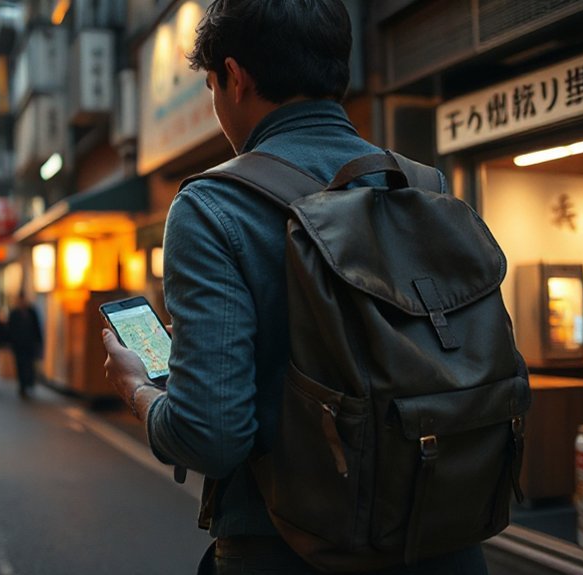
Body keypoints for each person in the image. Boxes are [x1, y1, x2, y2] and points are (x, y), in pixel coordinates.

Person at [101, 2, 487, 573]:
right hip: (446, 533)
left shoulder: (212, 207)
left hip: (295, 549)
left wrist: (139, 390)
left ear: (235, 77)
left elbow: (212, 437)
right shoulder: (425, 186)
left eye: (211, 85)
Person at [6, 291, 42, 399]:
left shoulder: (31, 312)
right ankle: (23, 386)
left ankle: (28, 384)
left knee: (29, 365)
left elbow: (36, 328)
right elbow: (10, 329)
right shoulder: (14, 313)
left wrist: (38, 341)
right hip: (18, 345)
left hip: (29, 344)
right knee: (21, 366)